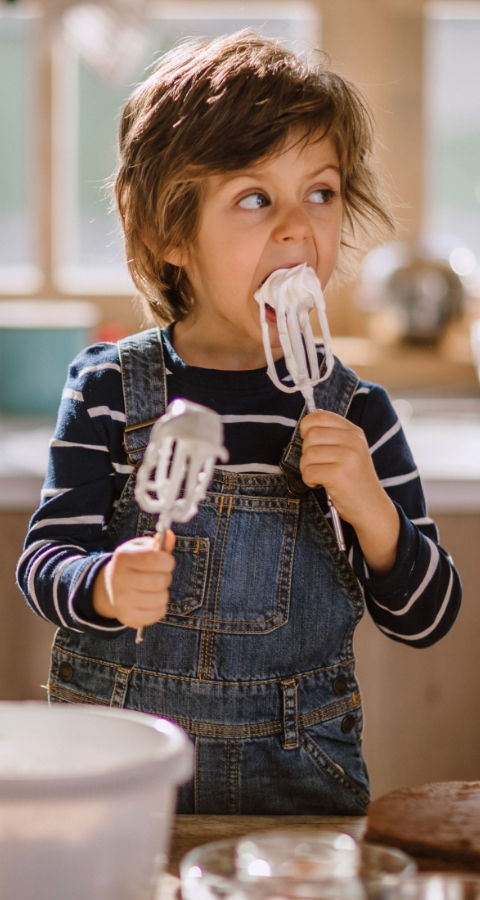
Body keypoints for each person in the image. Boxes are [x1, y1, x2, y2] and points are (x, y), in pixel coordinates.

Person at [17, 31, 461, 815]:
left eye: (319, 193)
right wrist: (106, 584)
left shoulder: (357, 412)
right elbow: (43, 560)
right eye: (255, 198)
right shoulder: (109, 389)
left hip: (298, 785)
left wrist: (374, 513)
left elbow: (430, 617)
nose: (297, 229)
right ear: (166, 236)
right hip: (121, 772)